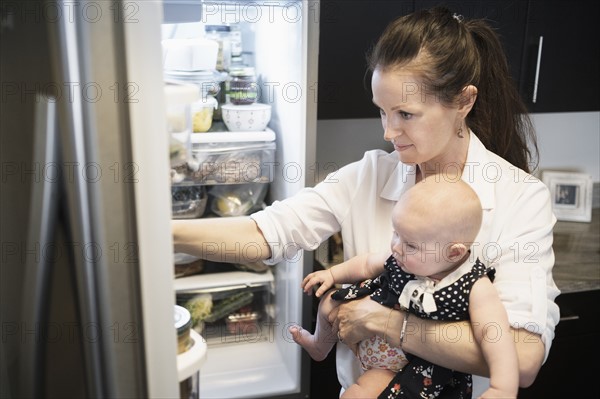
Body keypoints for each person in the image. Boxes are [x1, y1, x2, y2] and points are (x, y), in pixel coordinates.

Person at [172, 6, 560, 396]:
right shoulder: (370, 174)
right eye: (382, 112)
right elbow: (266, 233)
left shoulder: (520, 197)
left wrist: (386, 323)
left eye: (406, 114)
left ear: (463, 101)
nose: (389, 132)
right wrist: (157, 229)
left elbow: (523, 358)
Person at [290, 177, 518, 399]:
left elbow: (494, 333)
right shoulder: (402, 253)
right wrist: (332, 274)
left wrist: (502, 387)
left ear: (454, 252)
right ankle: (319, 346)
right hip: (368, 329)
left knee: (361, 393)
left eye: (410, 244)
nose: (396, 247)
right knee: (330, 300)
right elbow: (367, 264)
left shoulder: (475, 285)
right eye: (395, 233)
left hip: (404, 365)